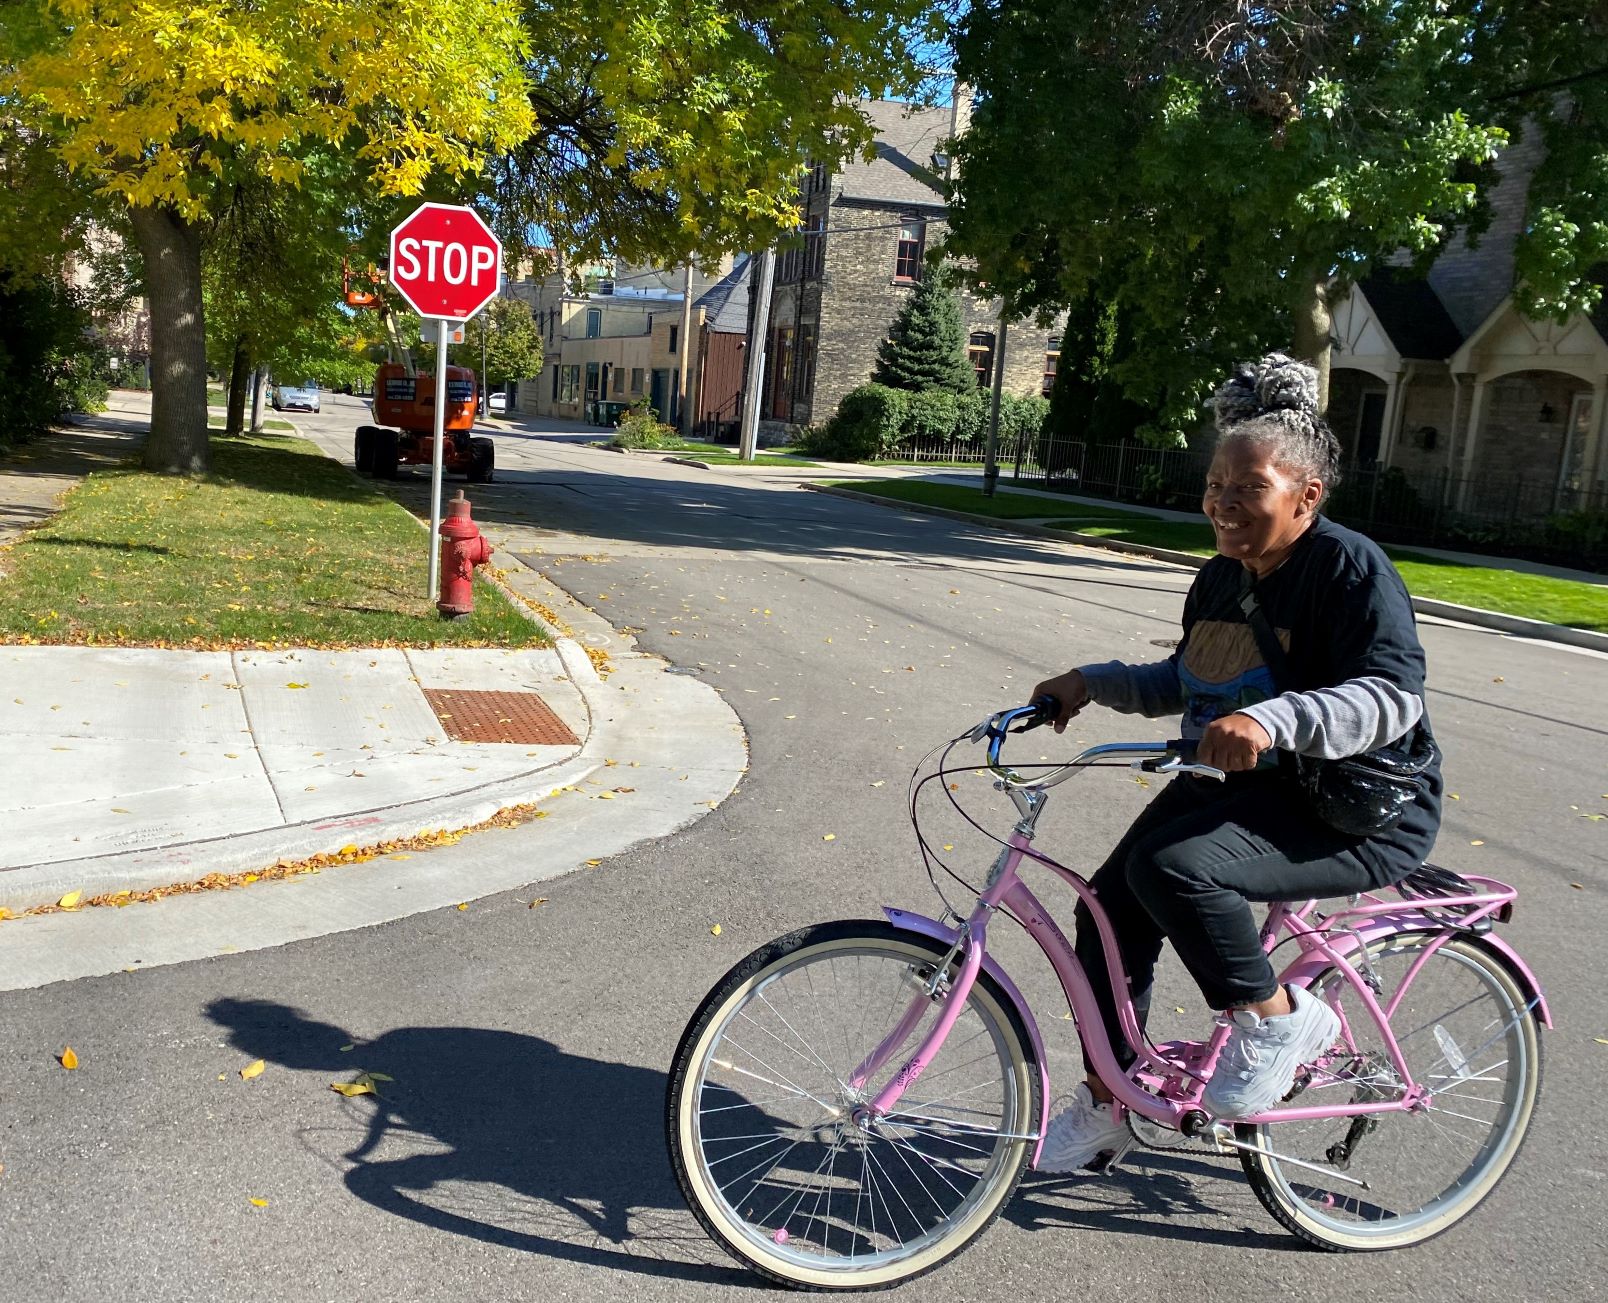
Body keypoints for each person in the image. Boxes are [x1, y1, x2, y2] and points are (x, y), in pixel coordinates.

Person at [1029, 353, 1442, 1172]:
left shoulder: (1350, 568)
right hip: (1245, 788)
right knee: (1107, 906)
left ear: (1305, 496)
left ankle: (1280, 1016)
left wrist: (1273, 716)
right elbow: (1190, 682)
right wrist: (1090, 683)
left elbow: (1393, 699)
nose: (1221, 500)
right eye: (1216, 483)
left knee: (1176, 867)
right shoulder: (1219, 577)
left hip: (1357, 806)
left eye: (1247, 486)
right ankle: (1112, 1098)